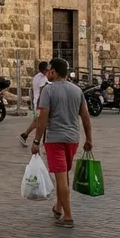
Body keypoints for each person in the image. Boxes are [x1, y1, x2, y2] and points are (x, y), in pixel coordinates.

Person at [31, 57, 93, 229]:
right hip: (73, 139)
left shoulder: (48, 91)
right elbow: (85, 117)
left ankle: (68, 217)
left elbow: (42, 119)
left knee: (61, 177)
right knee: (63, 175)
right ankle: (58, 207)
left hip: (55, 139)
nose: (48, 72)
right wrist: (89, 139)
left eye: (50, 69)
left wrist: (36, 141)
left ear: (54, 72)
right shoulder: (77, 90)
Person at [18, 61, 49, 146]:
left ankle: (24, 135)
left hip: (36, 103)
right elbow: (43, 91)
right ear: (44, 70)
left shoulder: (36, 77)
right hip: (41, 104)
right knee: (42, 122)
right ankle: (43, 142)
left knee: (36, 121)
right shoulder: (43, 78)